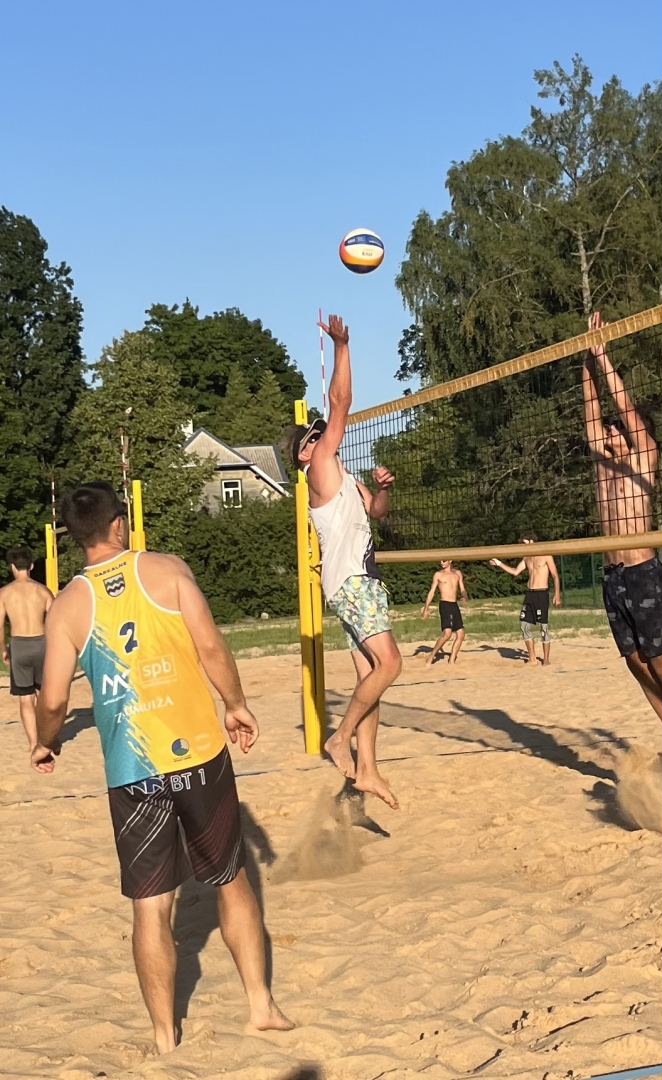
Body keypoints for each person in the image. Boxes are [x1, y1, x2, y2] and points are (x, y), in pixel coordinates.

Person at [32, 482, 292, 1052]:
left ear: (74, 538)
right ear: (119, 524)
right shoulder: (168, 570)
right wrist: (236, 704)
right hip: (197, 752)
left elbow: (52, 700)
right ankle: (260, 1005)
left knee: (150, 907)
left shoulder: (67, 605)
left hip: (132, 769)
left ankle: (164, 1035)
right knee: (230, 879)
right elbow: (211, 647)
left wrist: (47, 743)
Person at [285, 314, 402, 810]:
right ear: (303, 456)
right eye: (312, 438)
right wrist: (342, 347)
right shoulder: (319, 469)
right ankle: (340, 737)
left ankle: (367, 769)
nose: (321, 437)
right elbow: (340, 402)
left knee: (370, 675)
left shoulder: (344, 477)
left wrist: (381, 488)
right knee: (391, 664)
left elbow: (377, 513)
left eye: (320, 434)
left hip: (358, 581)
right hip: (353, 582)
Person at [583, 311, 662, 726]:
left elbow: (626, 408)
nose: (610, 430)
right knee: (636, 663)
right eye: (609, 428)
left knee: (660, 662)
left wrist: (603, 357)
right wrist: (584, 359)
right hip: (613, 578)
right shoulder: (603, 467)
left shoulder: (643, 458)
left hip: (643, 573)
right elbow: (590, 413)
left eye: (617, 428)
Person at [0, 546, 53, 751]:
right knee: (44, 694)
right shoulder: (43, 591)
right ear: (31, 566)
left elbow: (0, 625)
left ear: (12, 567)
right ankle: (47, 738)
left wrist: (3, 649)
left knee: (25, 698)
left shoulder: (4, 593)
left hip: (19, 645)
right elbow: (55, 621)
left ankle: (34, 744)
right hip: (42, 643)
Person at [490, 535, 561, 666]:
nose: (523, 547)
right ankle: (532, 658)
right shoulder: (526, 558)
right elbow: (515, 571)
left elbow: (555, 575)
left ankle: (546, 659)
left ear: (532, 541)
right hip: (530, 594)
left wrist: (557, 594)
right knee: (524, 625)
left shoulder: (546, 555)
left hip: (541, 593)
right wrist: (499, 563)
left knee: (543, 627)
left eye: (524, 543)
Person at [421, 560, 468, 666]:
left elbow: (462, 589)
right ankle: (431, 656)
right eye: (441, 561)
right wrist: (425, 609)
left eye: (444, 560)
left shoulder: (457, 573)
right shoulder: (438, 575)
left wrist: (464, 596)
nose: (442, 562)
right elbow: (431, 592)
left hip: (454, 605)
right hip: (445, 604)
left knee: (461, 634)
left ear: (450, 561)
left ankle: (452, 660)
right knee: (447, 634)